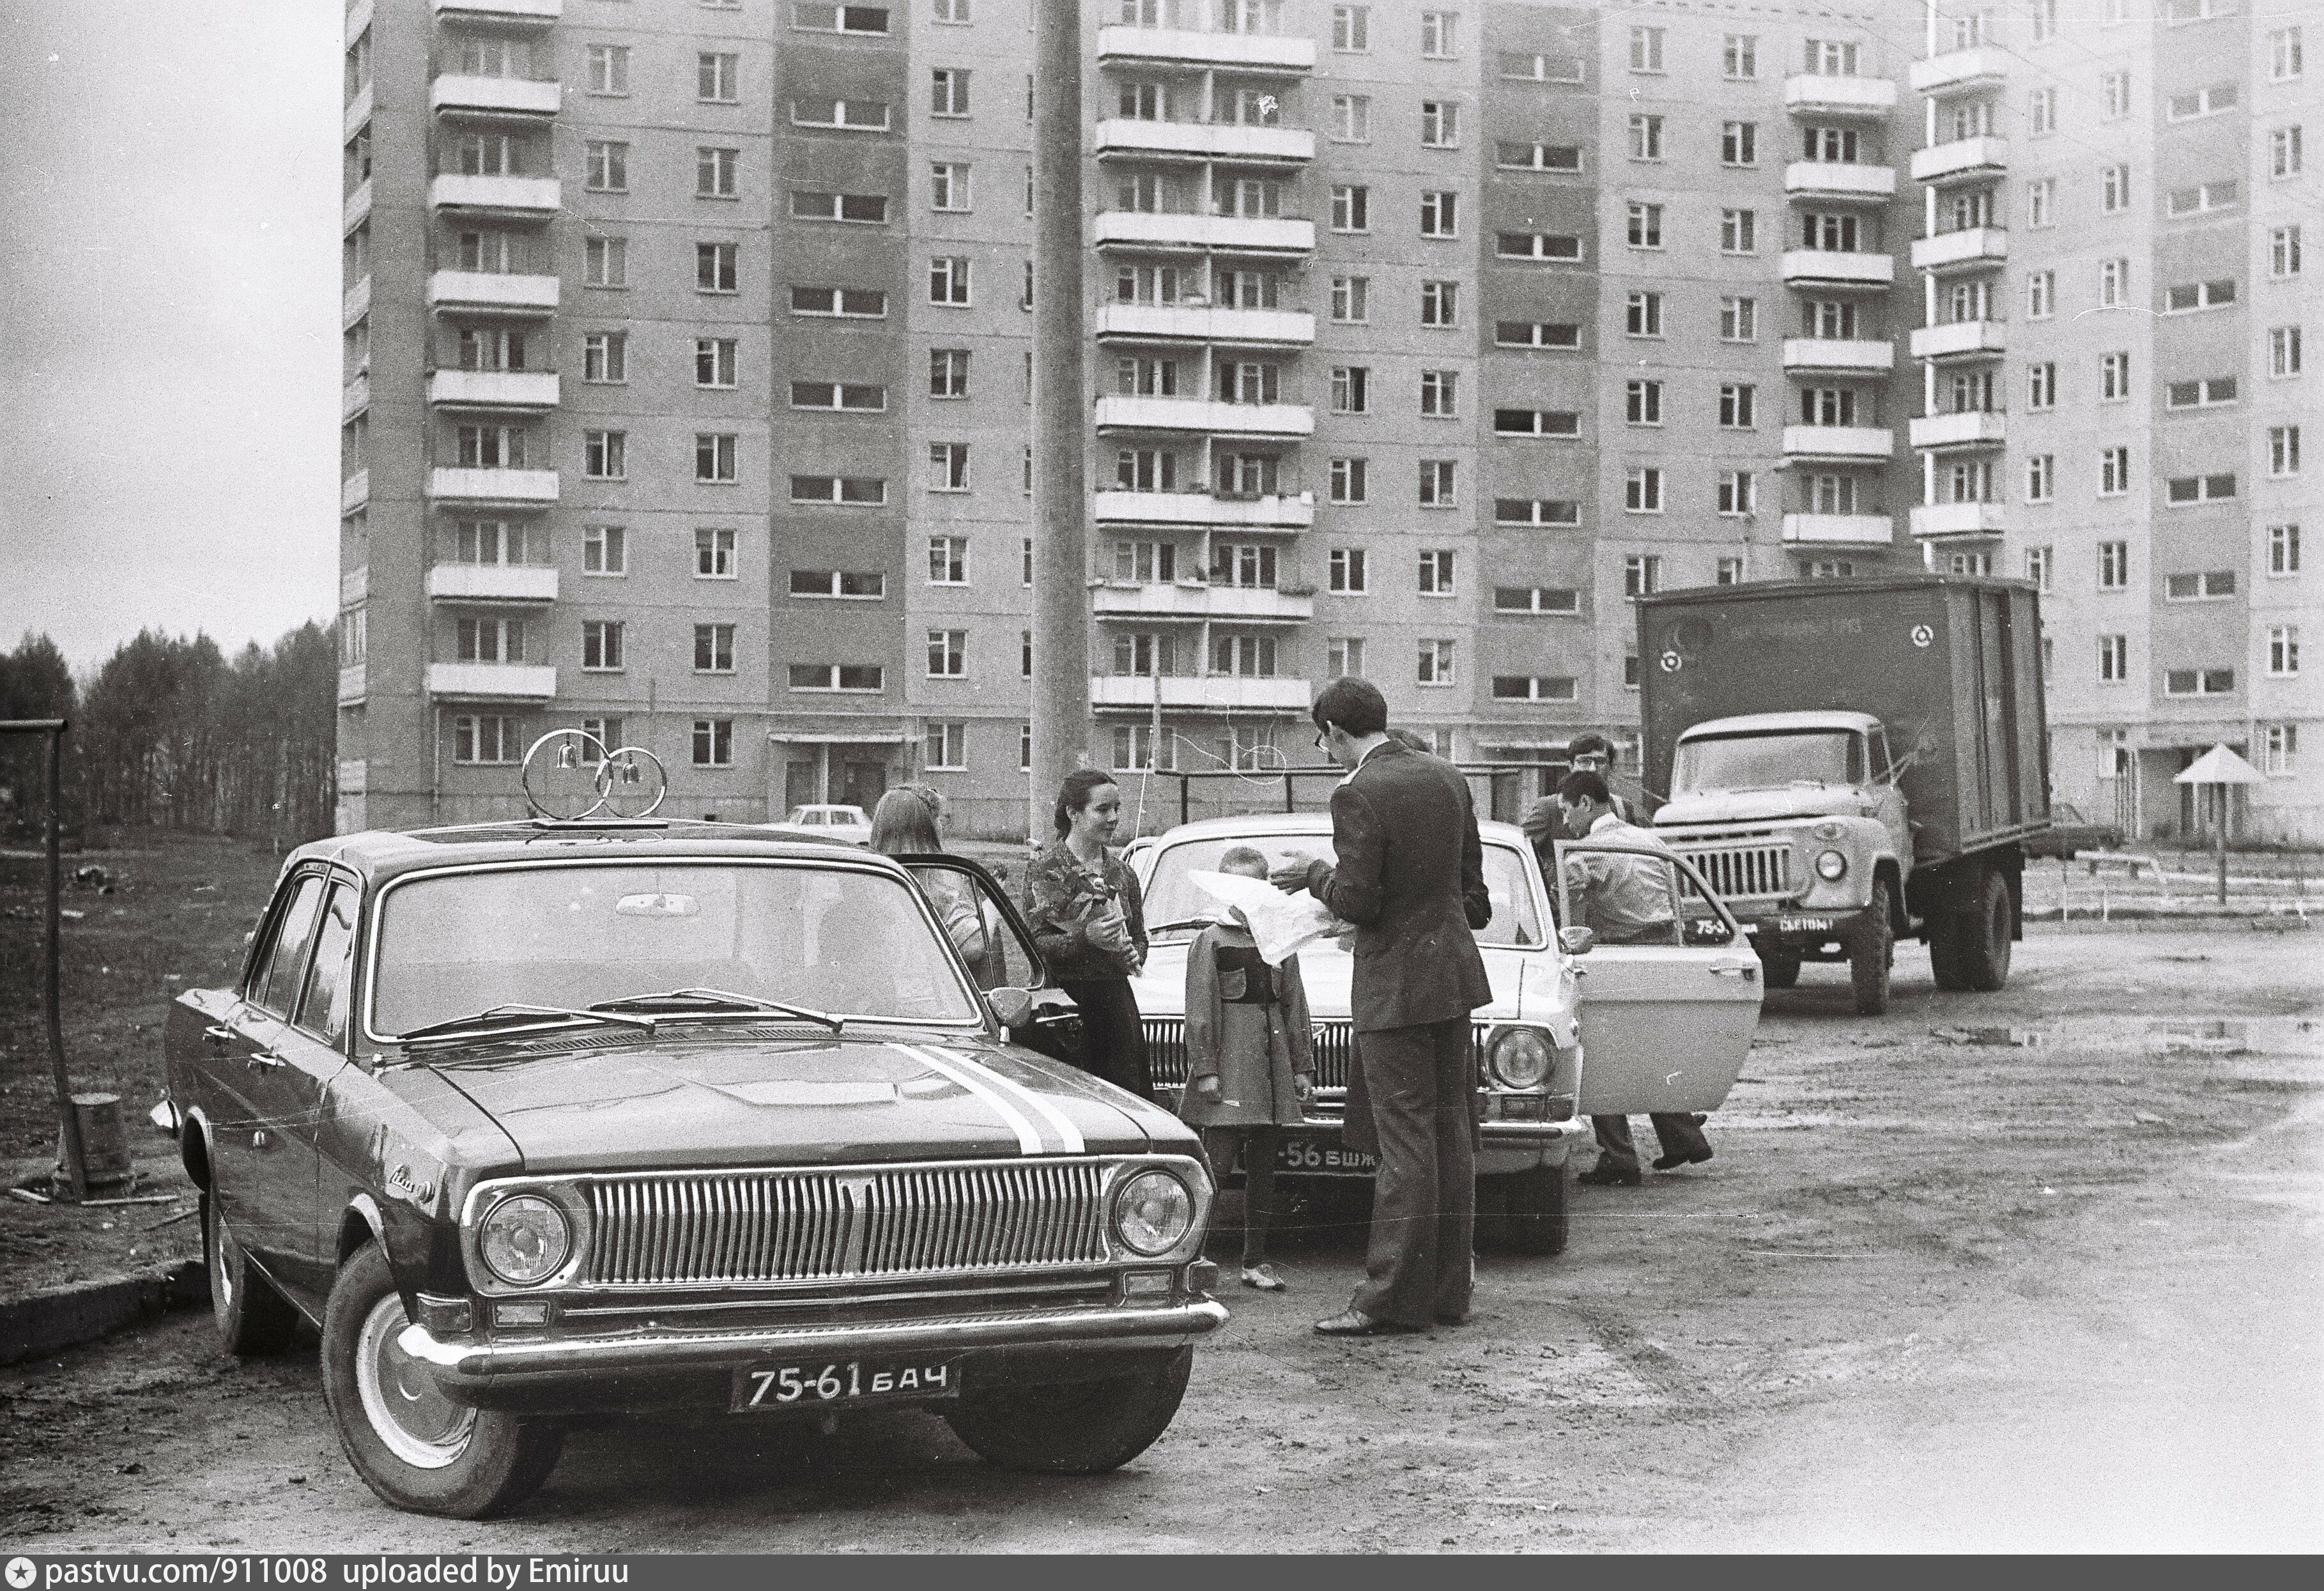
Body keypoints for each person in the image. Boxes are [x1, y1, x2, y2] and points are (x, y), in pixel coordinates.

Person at [1271, 679, 1493, 1336]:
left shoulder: (1358, 792)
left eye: (1323, 738)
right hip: (1452, 977)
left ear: (1337, 730)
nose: (1326, 750)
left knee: (1404, 1144)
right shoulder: (1447, 776)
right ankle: (1449, 1293)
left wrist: (1314, 875)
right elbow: (1469, 892)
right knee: (1450, 1135)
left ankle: (1388, 1299)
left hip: (1395, 985)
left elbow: (1360, 901)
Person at [1555, 769, 1715, 1185]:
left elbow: (1568, 924)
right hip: (1665, 949)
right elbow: (1675, 904)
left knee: (1602, 1055)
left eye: (1566, 810)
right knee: (1651, 1049)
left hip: (1619, 952)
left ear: (1585, 805)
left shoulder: (1583, 853)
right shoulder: (1650, 841)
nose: (1564, 821)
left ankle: (1619, 1157)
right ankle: (1683, 1139)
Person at [1181, 845, 1316, 1293]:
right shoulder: (1211, 940)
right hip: (1228, 1064)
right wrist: (1206, 1069)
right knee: (1215, 1165)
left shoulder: (1279, 940)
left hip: (1270, 1068)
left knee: (1265, 1167)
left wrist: (1301, 1067)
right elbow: (1200, 1008)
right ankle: (1192, 1259)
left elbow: (1295, 1003)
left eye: (1255, 886)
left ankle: (1254, 1261)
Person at [1022, 769, 1152, 1098]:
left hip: (1117, 1005)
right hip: (1065, 1008)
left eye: (1117, 809)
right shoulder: (1045, 871)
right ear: (1073, 813)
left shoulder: (1123, 873)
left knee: (1128, 1102)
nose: (1113, 818)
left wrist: (1136, 953)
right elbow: (1037, 945)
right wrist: (1086, 939)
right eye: (1102, 809)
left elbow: (1139, 935)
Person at [868, 785, 1001, 985]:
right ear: (924, 830)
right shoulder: (937, 878)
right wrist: (993, 904)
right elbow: (973, 945)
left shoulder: (866, 878)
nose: (942, 826)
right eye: (938, 818)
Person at [1521, 732, 1642, 871]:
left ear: (1610, 767)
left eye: (1600, 762)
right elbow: (1522, 852)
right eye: (1584, 762)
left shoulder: (1622, 808)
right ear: (1571, 766)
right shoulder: (1548, 808)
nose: (1592, 769)